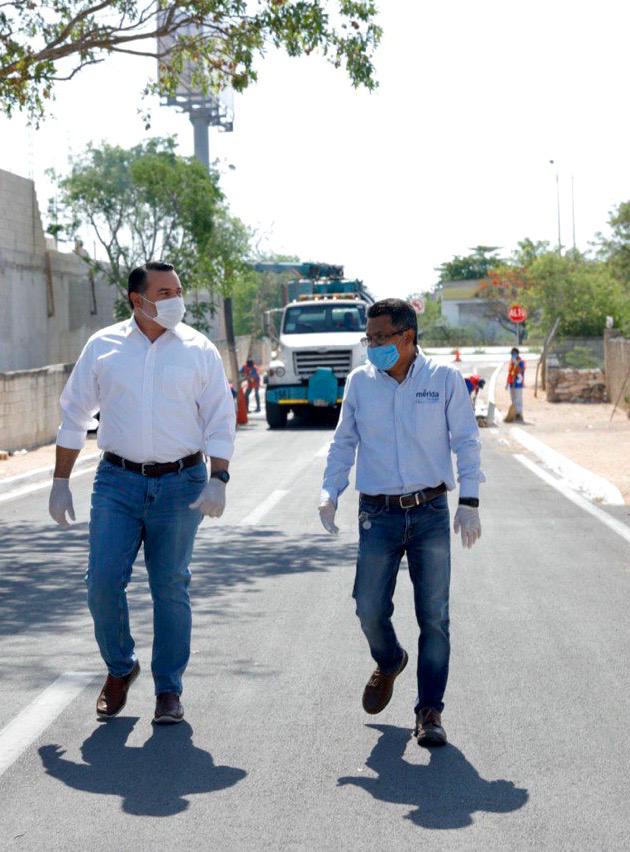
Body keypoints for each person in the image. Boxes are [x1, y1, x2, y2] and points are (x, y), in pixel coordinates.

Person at [48, 261, 235, 725]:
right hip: (117, 482)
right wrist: (59, 481)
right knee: (102, 582)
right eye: (164, 291)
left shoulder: (199, 349)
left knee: (169, 585)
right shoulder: (104, 347)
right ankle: (120, 667)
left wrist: (219, 477)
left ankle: (168, 690)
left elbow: (220, 417)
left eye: (178, 290)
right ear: (137, 299)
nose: (176, 299)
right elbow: (74, 416)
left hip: (181, 484)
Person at [318, 298, 484, 747]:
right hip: (378, 513)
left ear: (407, 337)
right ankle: (389, 659)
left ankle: (429, 711)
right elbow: (343, 442)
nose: (372, 346)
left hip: (429, 511)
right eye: (368, 338)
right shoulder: (360, 383)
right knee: (368, 606)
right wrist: (330, 490)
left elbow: (467, 442)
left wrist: (469, 500)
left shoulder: (444, 380)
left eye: (380, 338)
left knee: (435, 617)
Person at [506, 347, 526, 423]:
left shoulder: (521, 362)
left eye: (514, 353)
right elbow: (510, 373)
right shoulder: (511, 362)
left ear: (517, 354)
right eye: (512, 354)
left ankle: (519, 414)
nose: (513, 355)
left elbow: (521, 371)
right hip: (512, 384)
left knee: (518, 399)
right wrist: (507, 383)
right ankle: (514, 414)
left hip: (518, 384)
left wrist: (516, 364)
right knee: (513, 399)